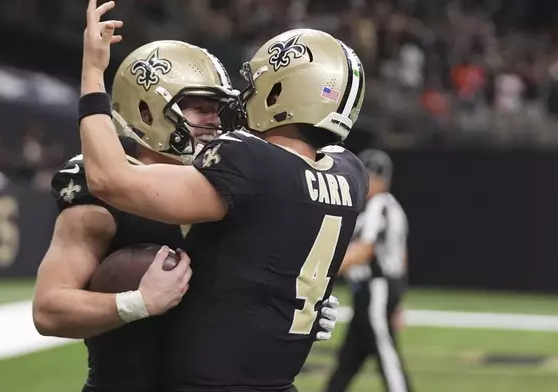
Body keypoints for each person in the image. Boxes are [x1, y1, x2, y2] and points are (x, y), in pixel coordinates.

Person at [77, 2, 368, 391]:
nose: (246, 95)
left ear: (280, 91)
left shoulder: (249, 160)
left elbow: (110, 179)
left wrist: (93, 74)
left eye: (258, 83)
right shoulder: (351, 173)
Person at [326, 149, 413, 392]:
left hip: (376, 286)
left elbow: (365, 249)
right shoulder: (393, 207)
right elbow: (402, 257)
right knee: (350, 356)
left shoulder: (377, 205)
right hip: (379, 287)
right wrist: (398, 302)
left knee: (385, 352)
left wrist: (325, 269)